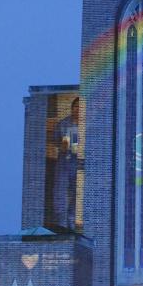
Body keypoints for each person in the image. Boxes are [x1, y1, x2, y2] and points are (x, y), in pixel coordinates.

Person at [52, 97, 79, 229]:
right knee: (60, 192)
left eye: (80, 107)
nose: (78, 110)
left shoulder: (87, 124)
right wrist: (60, 145)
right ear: (72, 108)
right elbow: (55, 140)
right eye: (76, 107)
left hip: (79, 164)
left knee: (76, 193)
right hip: (64, 161)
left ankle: (71, 222)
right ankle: (61, 224)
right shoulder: (63, 124)